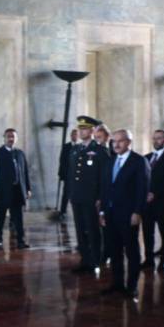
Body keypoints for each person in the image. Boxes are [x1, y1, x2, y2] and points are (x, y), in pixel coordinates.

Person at [99, 129, 149, 298]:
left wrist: (137, 212)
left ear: (129, 142)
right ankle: (117, 283)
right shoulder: (110, 161)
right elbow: (105, 188)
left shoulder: (138, 161)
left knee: (132, 251)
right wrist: (102, 212)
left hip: (128, 215)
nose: (116, 144)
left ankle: (132, 286)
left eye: (120, 141)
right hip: (110, 214)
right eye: (114, 142)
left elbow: (142, 189)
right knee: (114, 250)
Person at [69, 115, 108, 274]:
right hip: (77, 197)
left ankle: (96, 261)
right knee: (80, 230)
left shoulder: (100, 151)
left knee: (92, 230)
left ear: (92, 130)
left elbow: (104, 177)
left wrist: (100, 198)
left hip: (92, 198)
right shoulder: (75, 149)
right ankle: (85, 260)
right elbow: (71, 174)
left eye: (84, 128)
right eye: (80, 128)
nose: (81, 131)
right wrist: (70, 193)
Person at [142, 129, 164, 271]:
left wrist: (154, 193)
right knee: (147, 232)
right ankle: (149, 259)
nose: (156, 141)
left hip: (163, 202)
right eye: (154, 138)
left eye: (159, 138)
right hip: (146, 203)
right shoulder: (146, 157)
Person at [0, 128, 32, 250]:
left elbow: (25, 172)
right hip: (3, 192)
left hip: (17, 191)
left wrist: (28, 189)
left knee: (18, 218)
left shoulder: (20, 153)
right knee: (0, 218)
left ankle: (21, 241)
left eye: (13, 137)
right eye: (8, 136)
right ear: (4, 138)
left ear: (16, 138)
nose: (11, 139)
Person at [57, 128, 78, 217]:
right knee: (66, 193)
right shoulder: (66, 146)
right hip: (68, 175)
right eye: (74, 135)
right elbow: (62, 160)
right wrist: (63, 174)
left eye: (76, 135)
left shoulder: (80, 146)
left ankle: (77, 212)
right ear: (71, 136)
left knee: (77, 194)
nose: (75, 136)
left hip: (78, 175)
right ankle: (63, 211)